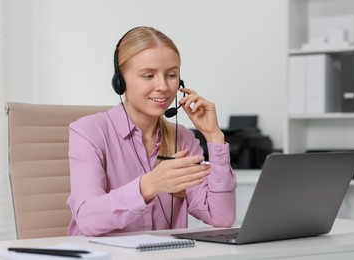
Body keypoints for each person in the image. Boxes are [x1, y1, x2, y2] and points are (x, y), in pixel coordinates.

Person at [66, 26, 237, 236]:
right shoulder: (88, 132)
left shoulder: (182, 139)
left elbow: (221, 217)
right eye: (148, 75)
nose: (163, 86)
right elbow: (87, 219)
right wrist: (148, 185)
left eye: (172, 75)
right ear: (119, 81)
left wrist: (214, 136)